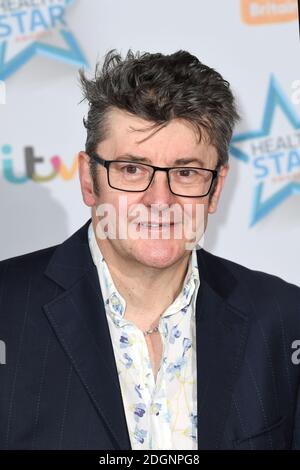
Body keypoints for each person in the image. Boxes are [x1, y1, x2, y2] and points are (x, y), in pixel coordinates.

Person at [0, 49, 299, 451]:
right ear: (90, 181)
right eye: (132, 170)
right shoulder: (6, 308)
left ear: (216, 189)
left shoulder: (283, 317)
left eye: (187, 172)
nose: (160, 201)